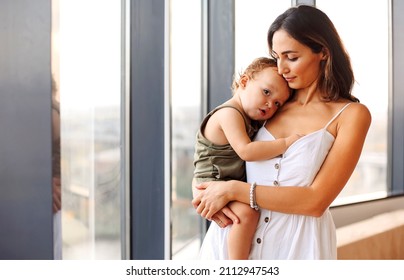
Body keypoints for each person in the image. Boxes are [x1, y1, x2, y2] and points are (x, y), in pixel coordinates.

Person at [192, 5, 372, 260]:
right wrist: (200, 188)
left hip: (297, 246)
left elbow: (315, 202)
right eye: (276, 57)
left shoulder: (351, 115)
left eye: (292, 57)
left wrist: (233, 190)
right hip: (231, 242)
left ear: (322, 52)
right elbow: (216, 147)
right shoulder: (268, 103)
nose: (281, 68)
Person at [193, 57, 302, 259]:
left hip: (225, 182)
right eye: (266, 92)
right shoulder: (229, 113)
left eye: (277, 103)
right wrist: (285, 144)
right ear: (244, 81)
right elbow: (247, 151)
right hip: (211, 183)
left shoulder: (250, 117)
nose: (270, 104)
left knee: (247, 213)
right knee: (247, 214)